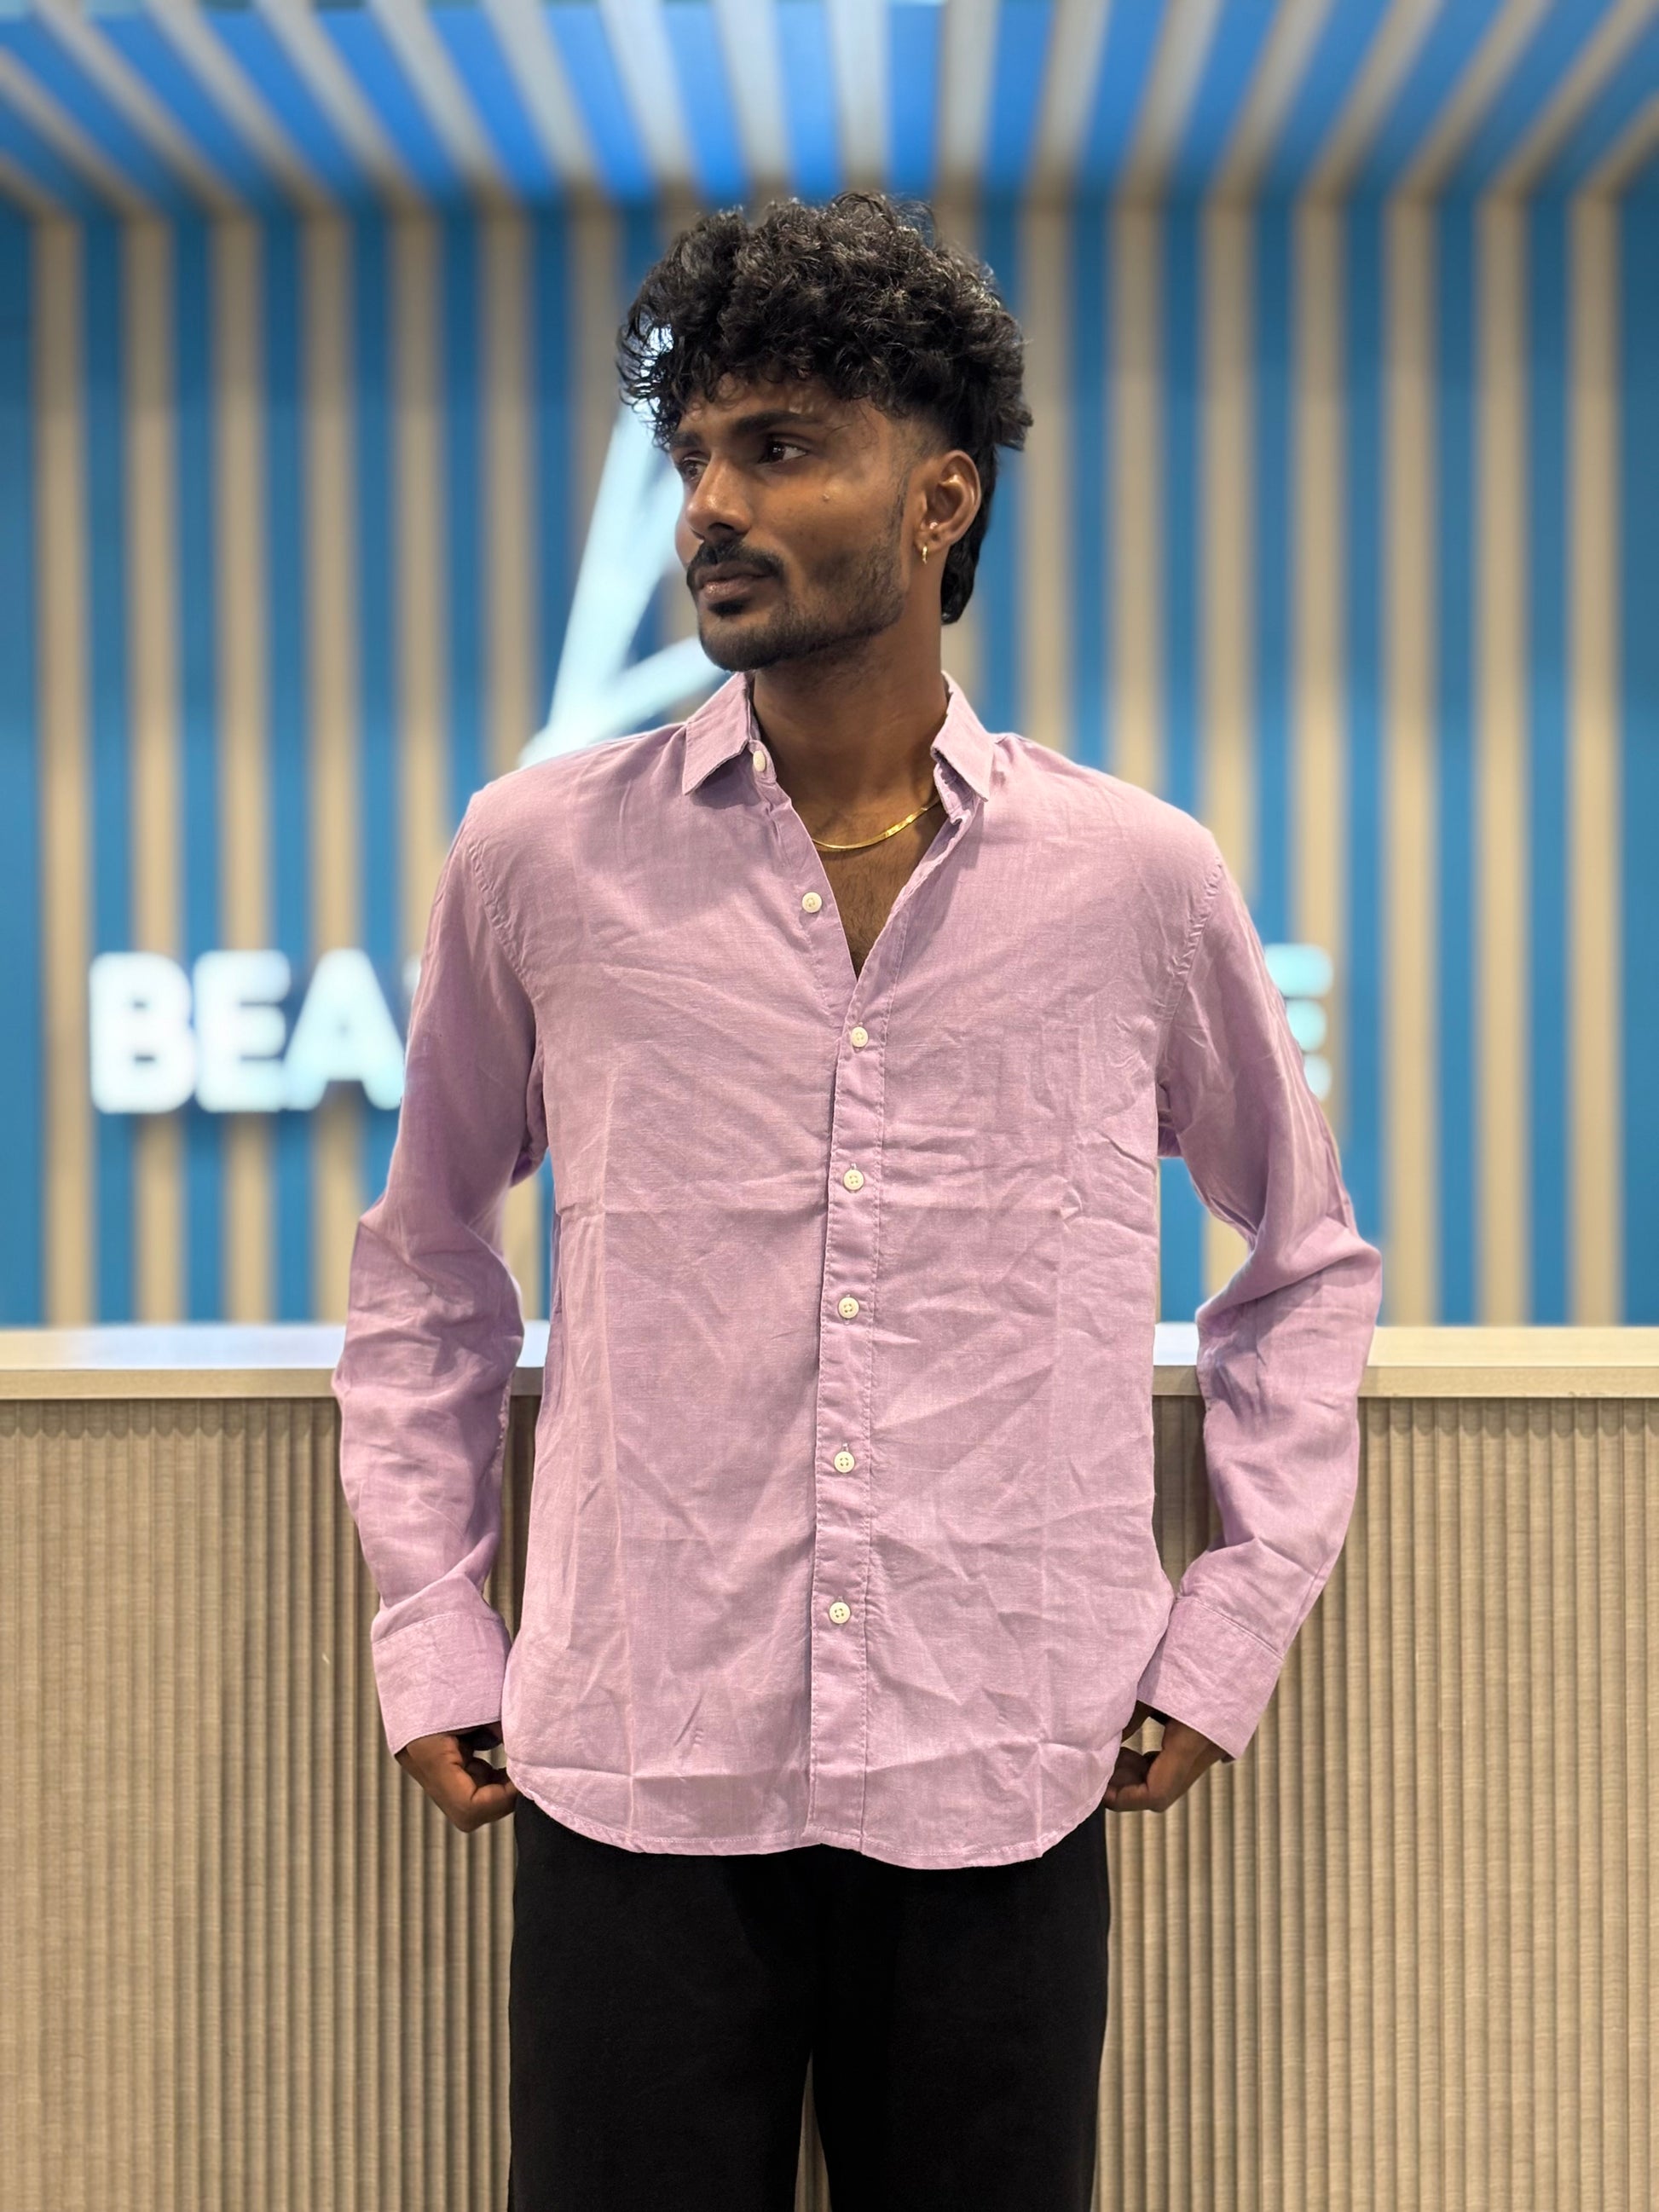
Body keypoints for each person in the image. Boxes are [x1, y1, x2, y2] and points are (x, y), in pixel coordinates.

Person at [333, 191, 1383, 2212]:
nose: (712, 506)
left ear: (939, 496)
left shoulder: (1136, 881)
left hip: (1005, 1775)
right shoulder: (536, 857)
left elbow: (1305, 1259)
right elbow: (428, 1268)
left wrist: (1230, 1621)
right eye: (694, 454)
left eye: (781, 446)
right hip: (632, 1771)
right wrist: (433, 1620)